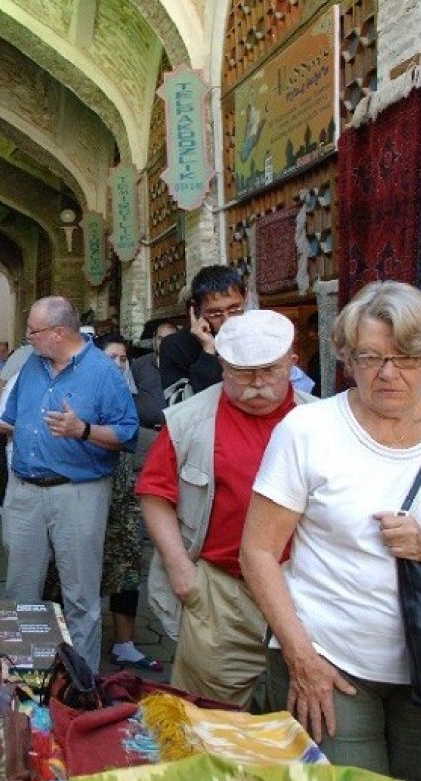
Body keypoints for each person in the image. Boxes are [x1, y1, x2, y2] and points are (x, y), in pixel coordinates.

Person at [240, 281, 421, 781]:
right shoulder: (309, 431)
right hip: (329, 658)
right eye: (370, 357)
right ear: (347, 358)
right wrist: (301, 657)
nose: (388, 373)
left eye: (407, 357)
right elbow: (256, 551)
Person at [137, 310, 314, 707]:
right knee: (209, 713)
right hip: (223, 590)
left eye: (268, 371)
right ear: (222, 365)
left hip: (303, 587)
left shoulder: (319, 421)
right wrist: (180, 567)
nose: (256, 384)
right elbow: (155, 493)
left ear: (292, 362)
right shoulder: (189, 420)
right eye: (241, 373)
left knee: (298, 713)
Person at [0, 297, 139, 669]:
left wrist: (84, 430)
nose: (27, 337)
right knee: (21, 592)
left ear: (59, 333)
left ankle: (81, 682)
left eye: (34, 331)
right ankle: (22, 674)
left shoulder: (103, 372)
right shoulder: (33, 364)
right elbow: (11, 418)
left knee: (80, 595)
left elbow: (127, 434)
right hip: (26, 492)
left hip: (78, 494)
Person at [44, 332, 160, 670]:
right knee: (67, 569)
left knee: (125, 566)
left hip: (121, 499)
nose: (119, 365)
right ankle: (61, 642)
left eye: (123, 359)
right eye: (112, 358)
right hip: (82, 492)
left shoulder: (128, 395)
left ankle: (124, 643)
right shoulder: (80, 391)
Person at [160, 266, 246, 404]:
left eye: (234, 309)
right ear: (196, 310)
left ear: (245, 299)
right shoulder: (174, 345)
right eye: (215, 313)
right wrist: (208, 351)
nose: (227, 320)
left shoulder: (256, 333)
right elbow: (178, 405)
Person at [131, 321, 178, 433]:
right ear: (154, 339)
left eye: (169, 339)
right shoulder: (139, 365)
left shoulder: (184, 367)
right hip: (144, 434)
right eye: (160, 338)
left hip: (175, 434)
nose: (164, 343)